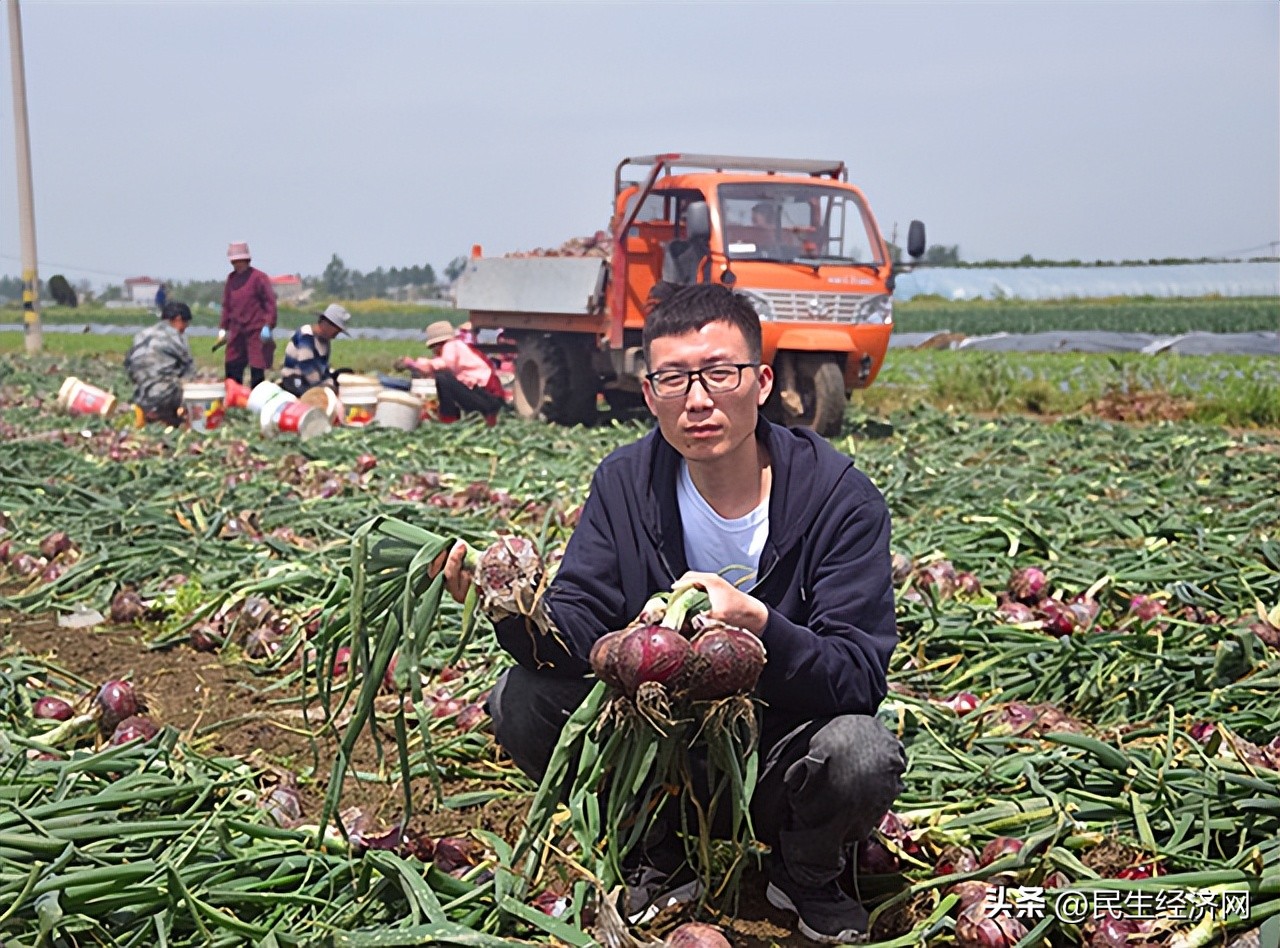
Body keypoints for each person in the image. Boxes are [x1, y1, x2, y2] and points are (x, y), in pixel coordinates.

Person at [441, 283, 904, 943]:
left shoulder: (840, 498)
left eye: (720, 373)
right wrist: (515, 612)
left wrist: (760, 625)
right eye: (674, 379)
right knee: (520, 699)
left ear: (762, 381)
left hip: (776, 753)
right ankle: (653, 851)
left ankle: (807, 869)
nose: (698, 399)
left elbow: (858, 675)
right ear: (649, 391)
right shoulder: (624, 484)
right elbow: (579, 619)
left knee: (860, 751)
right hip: (649, 746)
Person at [396, 320, 505, 426]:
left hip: (489, 399)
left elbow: (445, 364)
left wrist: (414, 364)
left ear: (437, 344)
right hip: (485, 397)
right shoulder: (459, 346)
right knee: (443, 378)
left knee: (442, 377)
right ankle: (449, 415)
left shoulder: (451, 345)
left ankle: (448, 418)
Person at [124, 301, 197, 426]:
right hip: (164, 396)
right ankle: (180, 419)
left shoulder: (142, 334)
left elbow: (128, 365)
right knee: (194, 389)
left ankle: (147, 412)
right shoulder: (176, 337)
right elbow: (190, 369)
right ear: (178, 319)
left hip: (140, 395)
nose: (184, 330)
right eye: (185, 324)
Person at [218, 241, 278, 389]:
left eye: (240, 260)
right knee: (232, 364)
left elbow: (270, 303)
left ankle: (256, 402)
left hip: (256, 329)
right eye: (235, 261)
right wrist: (223, 328)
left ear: (247, 260)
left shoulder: (259, 278)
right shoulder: (231, 279)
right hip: (236, 329)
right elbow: (227, 305)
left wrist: (268, 325)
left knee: (257, 367)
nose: (238, 264)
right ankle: (233, 401)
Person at [281, 303, 350, 396]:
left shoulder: (325, 342)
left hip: (314, 380)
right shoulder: (306, 335)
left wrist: (329, 381)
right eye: (336, 332)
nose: (335, 336)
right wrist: (323, 386)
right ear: (327, 324)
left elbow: (323, 368)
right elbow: (306, 366)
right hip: (295, 378)